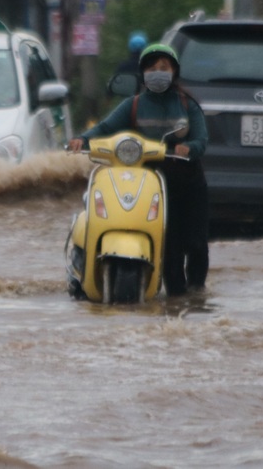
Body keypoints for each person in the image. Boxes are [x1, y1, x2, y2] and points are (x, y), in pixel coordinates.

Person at [67, 43, 209, 296]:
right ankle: (176, 297)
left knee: (197, 243)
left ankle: (197, 294)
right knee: (170, 244)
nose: (158, 73)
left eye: (163, 68)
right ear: (143, 73)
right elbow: (104, 128)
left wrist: (188, 148)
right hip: (155, 181)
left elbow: (201, 139)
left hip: (188, 181)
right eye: (152, 68)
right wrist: (82, 139)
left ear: (174, 72)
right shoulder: (133, 105)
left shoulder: (188, 106)